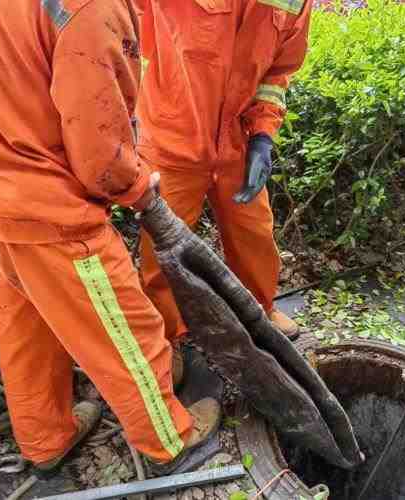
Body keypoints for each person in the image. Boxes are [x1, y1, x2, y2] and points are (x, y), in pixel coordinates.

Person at [0, 0, 219, 473]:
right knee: (125, 328)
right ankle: (172, 440)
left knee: (25, 321)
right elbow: (101, 155)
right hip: (46, 210)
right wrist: (137, 187)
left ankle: (46, 440)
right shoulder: (92, 6)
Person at [136, 0, 313, 350]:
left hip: (237, 139)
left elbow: (277, 72)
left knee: (254, 233)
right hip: (172, 136)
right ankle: (168, 338)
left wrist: (262, 136)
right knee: (162, 251)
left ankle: (259, 309)